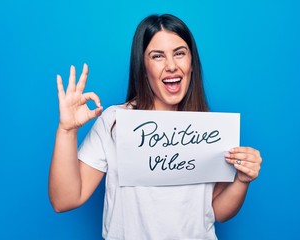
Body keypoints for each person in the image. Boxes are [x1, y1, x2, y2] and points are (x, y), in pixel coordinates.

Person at [49, 13, 262, 240]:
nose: (171, 66)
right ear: (143, 66)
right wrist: (67, 131)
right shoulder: (114, 122)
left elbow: (217, 211)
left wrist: (241, 180)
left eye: (179, 53)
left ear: (191, 64)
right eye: (158, 56)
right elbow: (65, 200)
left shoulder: (209, 129)